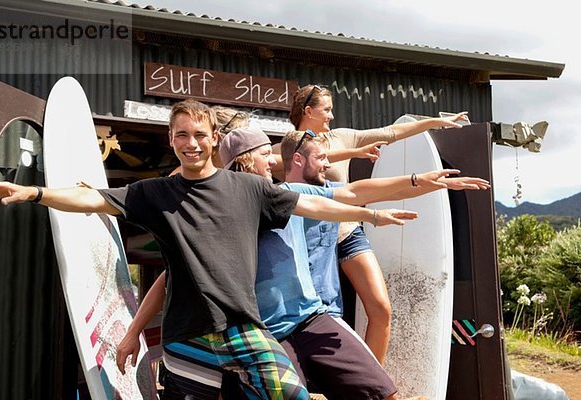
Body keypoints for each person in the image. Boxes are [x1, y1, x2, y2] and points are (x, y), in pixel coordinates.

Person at [0, 99, 429, 400]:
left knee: (292, 393)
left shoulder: (248, 189)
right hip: (185, 340)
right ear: (170, 140)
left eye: (198, 134)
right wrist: (36, 194)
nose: (190, 143)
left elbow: (312, 201)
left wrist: (371, 216)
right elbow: (94, 198)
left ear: (213, 138)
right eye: (181, 135)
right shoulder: (154, 194)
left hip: (244, 330)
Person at [119, 125, 485, 399]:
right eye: (267, 154)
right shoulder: (218, 211)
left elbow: (354, 192)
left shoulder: (287, 194)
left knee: (382, 393)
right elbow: (168, 279)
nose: (275, 161)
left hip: (313, 320)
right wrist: (135, 330)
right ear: (248, 160)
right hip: (265, 337)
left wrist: (422, 180)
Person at [275, 84, 472, 364]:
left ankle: (371, 385)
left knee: (380, 309)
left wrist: (434, 122)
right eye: (327, 110)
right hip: (308, 243)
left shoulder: (343, 137)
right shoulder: (287, 146)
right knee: (313, 318)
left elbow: (390, 133)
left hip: (346, 232)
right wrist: (353, 155)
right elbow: (260, 164)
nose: (331, 116)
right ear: (308, 111)